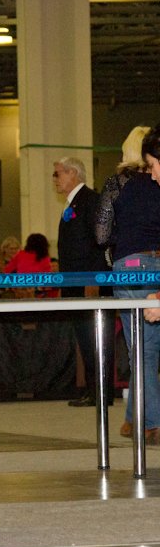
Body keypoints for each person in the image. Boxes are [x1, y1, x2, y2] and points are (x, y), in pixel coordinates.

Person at [103, 124, 160, 444]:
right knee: (148, 348)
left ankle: (152, 423)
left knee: (140, 349)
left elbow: (101, 233)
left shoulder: (118, 183)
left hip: (130, 265)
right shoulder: (155, 184)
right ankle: (131, 418)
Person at [54, 156, 113, 408]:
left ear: (73, 173)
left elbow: (100, 241)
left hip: (90, 281)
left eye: (58, 174)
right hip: (75, 281)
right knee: (86, 338)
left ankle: (102, 391)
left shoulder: (90, 200)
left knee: (96, 337)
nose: (54, 180)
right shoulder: (74, 202)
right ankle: (94, 389)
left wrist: (94, 278)